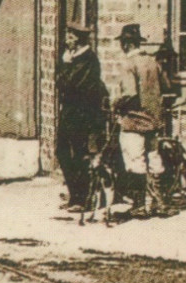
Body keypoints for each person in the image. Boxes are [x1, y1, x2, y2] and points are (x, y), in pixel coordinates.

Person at [110, 23, 170, 217]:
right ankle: (159, 203)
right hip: (153, 120)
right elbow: (166, 85)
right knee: (154, 158)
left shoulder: (129, 64)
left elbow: (129, 93)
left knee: (136, 161)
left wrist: (115, 104)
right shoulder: (152, 62)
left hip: (134, 120)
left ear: (126, 44)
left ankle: (139, 206)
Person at [56, 25, 108, 212]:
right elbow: (59, 82)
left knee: (79, 154)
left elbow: (69, 84)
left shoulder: (88, 59)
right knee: (62, 152)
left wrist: (66, 65)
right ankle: (74, 194)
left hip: (83, 114)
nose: (67, 39)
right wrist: (65, 66)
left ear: (78, 40)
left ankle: (82, 199)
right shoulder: (72, 58)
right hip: (69, 112)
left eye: (70, 36)